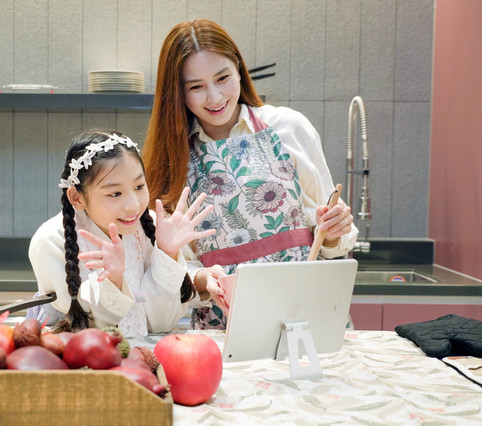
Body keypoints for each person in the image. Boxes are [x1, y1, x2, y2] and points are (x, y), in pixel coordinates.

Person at [142, 19, 358, 330]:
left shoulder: (289, 128)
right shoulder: (170, 161)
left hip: (308, 316)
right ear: (177, 93)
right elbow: (170, 265)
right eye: (196, 86)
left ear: (240, 71)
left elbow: (328, 236)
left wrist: (334, 229)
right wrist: (203, 278)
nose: (215, 97)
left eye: (223, 78)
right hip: (225, 328)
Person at [28, 129, 215, 336]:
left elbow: (159, 323)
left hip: (143, 352)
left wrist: (168, 252)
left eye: (139, 186)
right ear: (76, 198)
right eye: (115, 193)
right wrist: (114, 279)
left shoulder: (151, 225)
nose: (133, 205)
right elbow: (87, 330)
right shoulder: (51, 240)